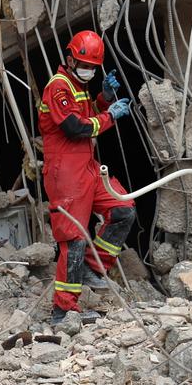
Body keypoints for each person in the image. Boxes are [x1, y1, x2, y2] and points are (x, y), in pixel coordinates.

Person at [37, 30, 135, 323]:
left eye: (93, 66)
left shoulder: (77, 87)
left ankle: (93, 268)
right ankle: (63, 309)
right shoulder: (58, 87)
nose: (88, 70)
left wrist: (103, 100)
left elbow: (87, 112)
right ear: (69, 58)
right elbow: (76, 128)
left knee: (123, 210)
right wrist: (110, 116)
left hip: (87, 167)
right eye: (83, 64)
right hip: (65, 172)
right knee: (74, 238)